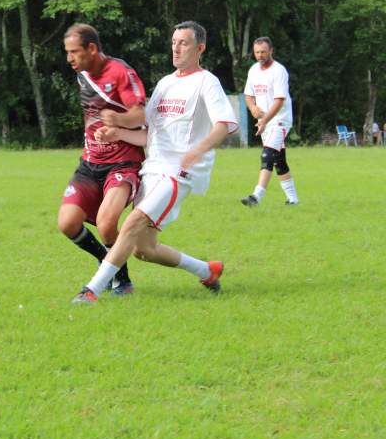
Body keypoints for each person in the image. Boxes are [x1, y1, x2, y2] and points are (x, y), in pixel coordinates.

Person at [72, 21, 238, 304]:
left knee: (133, 222)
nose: (176, 47)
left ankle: (92, 290)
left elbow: (224, 124)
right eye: (174, 42)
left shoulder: (206, 82)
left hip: (178, 173)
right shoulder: (165, 83)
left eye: (183, 43)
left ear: (200, 48)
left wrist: (198, 150)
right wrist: (118, 132)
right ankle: (206, 270)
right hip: (152, 169)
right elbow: (149, 134)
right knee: (143, 249)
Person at [58, 23, 147, 295]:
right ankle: (104, 262)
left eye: (75, 52)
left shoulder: (120, 72)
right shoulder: (82, 73)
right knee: (67, 223)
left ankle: (123, 280)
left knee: (108, 224)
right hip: (90, 162)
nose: (69, 58)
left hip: (122, 163)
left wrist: (119, 120)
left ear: (92, 49)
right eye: (67, 52)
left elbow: (140, 115)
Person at [239, 37, 299, 206]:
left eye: (263, 52)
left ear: (271, 51)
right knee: (279, 161)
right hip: (264, 121)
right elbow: (248, 95)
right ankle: (293, 200)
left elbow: (279, 100)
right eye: (257, 52)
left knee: (267, 155)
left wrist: (264, 119)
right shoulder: (253, 70)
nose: (260, 55)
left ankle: (256, 196)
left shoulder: (279, 71)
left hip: (279, 120)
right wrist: (252, 108)